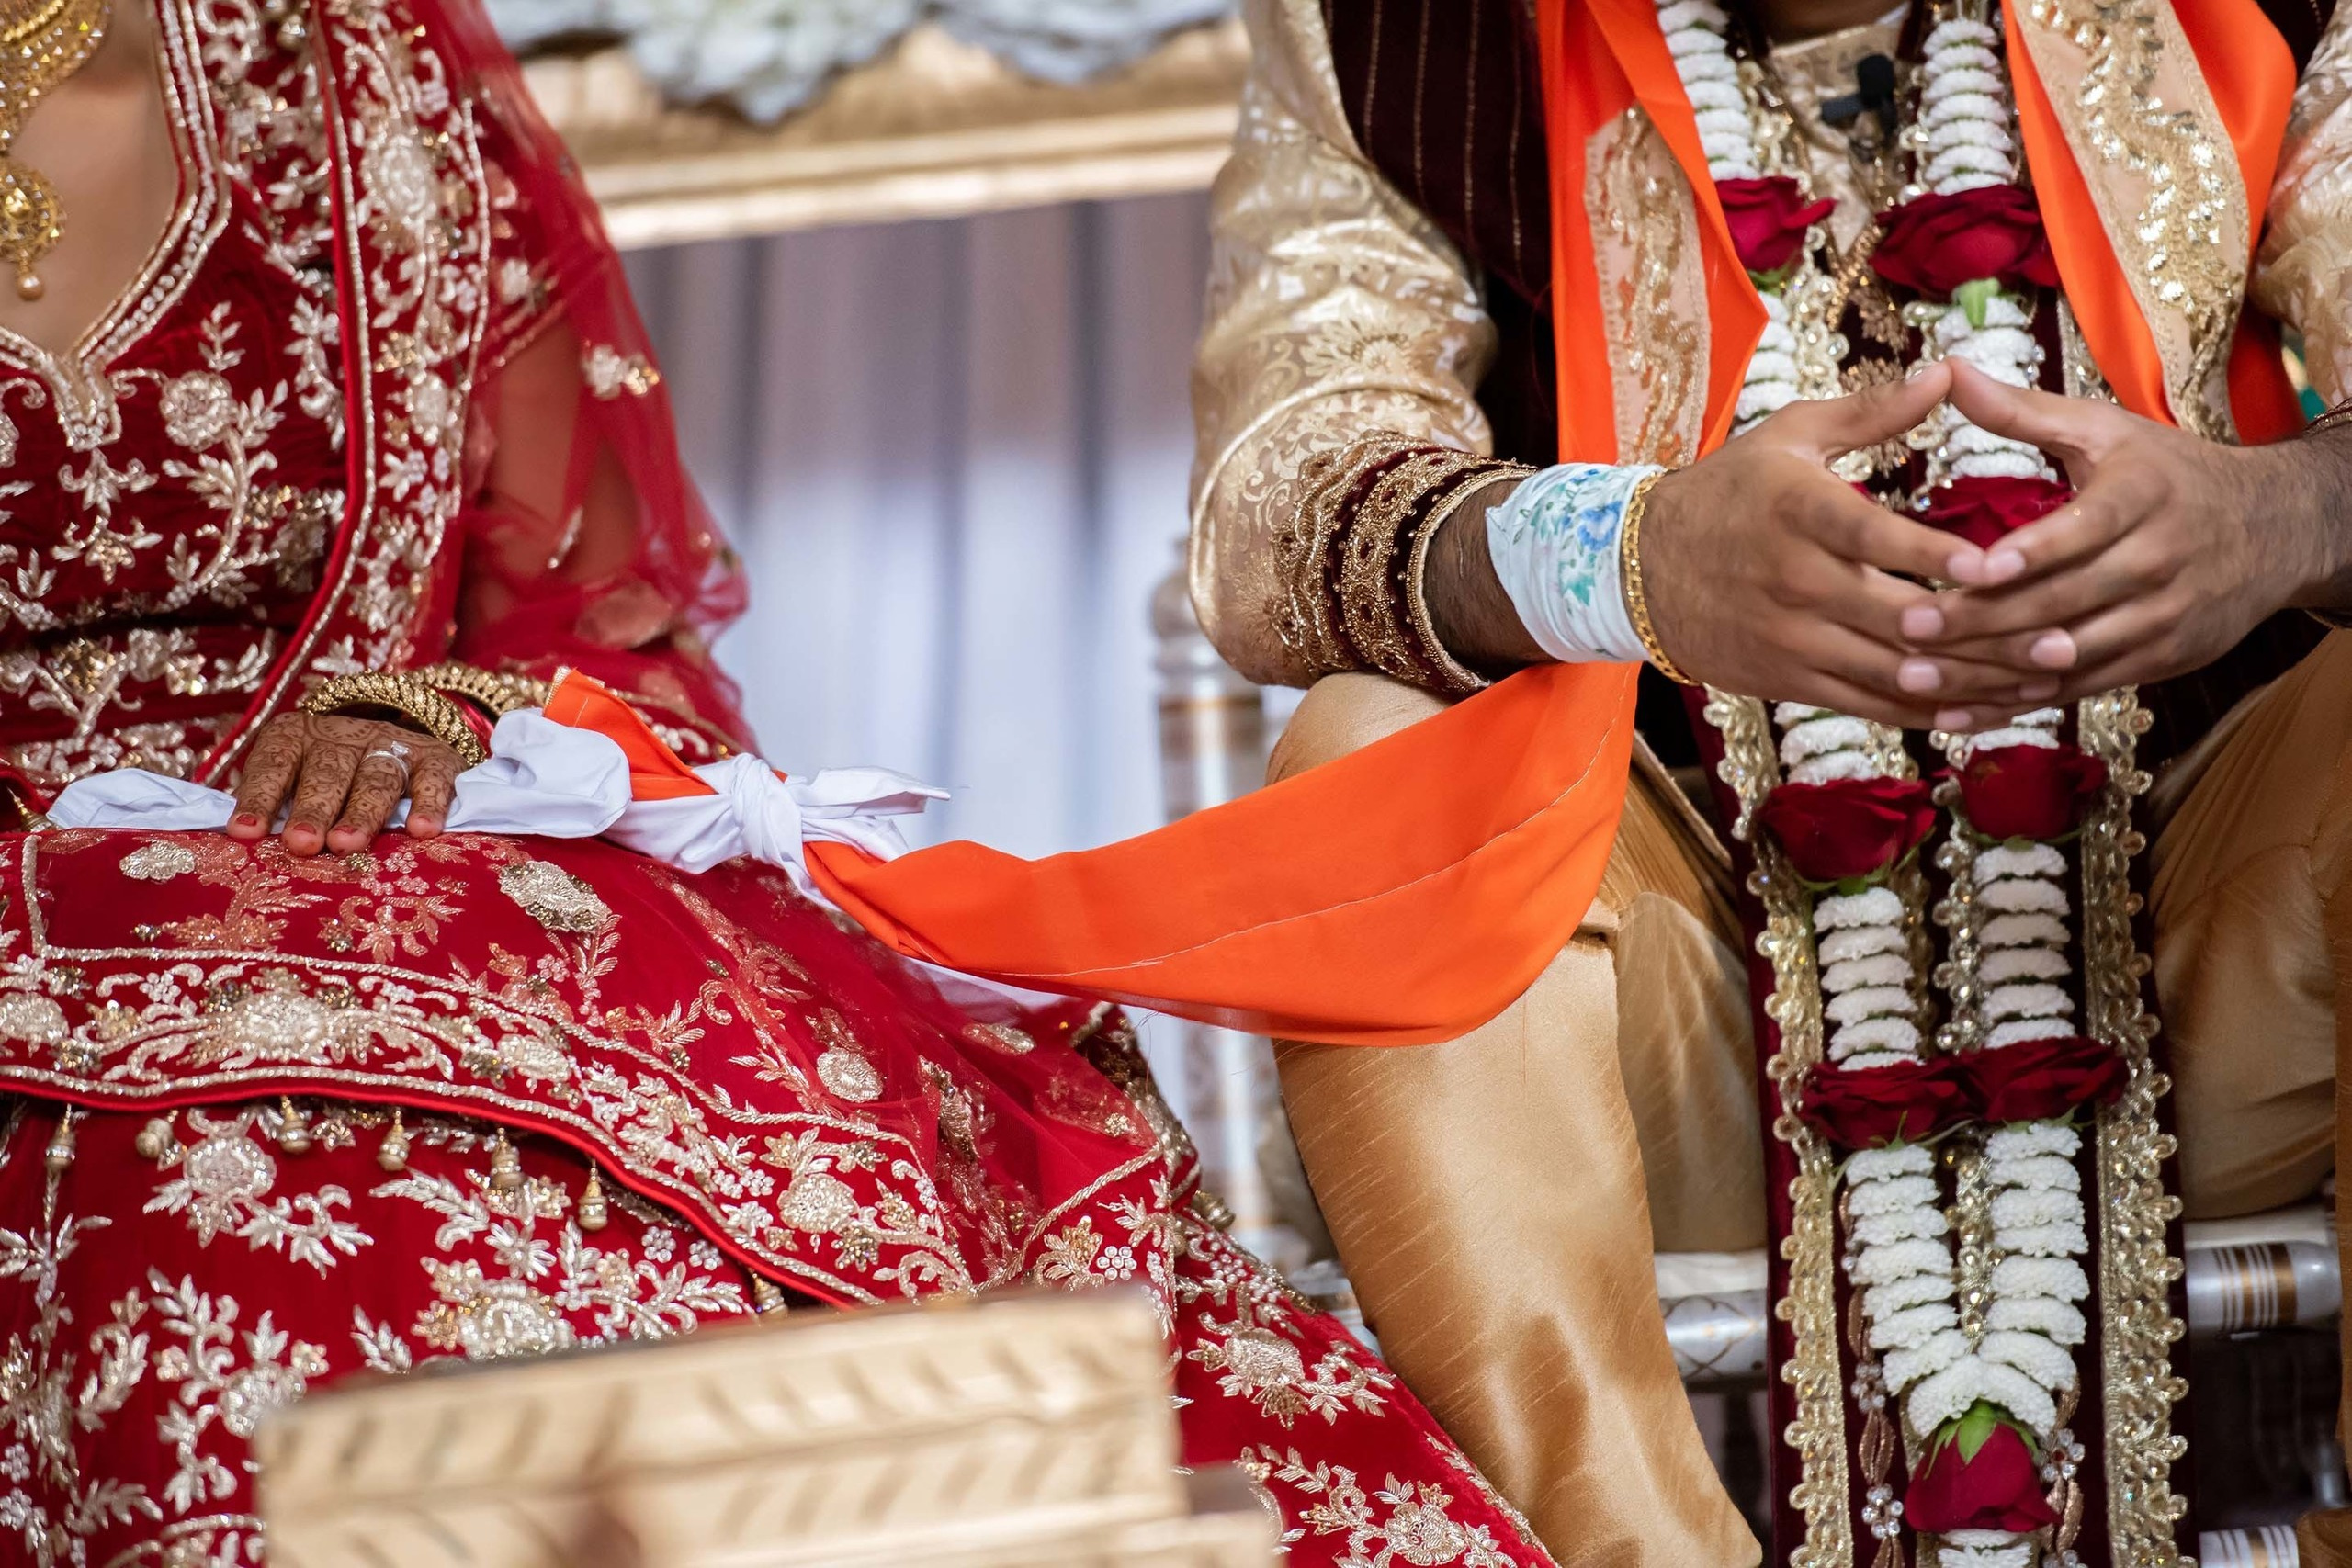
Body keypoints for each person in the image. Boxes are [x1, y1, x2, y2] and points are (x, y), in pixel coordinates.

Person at [0, 0, 1575, 1561]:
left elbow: (589, 615)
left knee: (799, 1088)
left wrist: (439, 712)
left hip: (418, 853)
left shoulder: (357, 71)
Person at [1192, 0, 2352, 1562]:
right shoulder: (1397, 35)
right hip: (1691, 1022)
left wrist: (2283, 518)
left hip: (2207, 960)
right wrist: (1628, 556)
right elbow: (1277, 505)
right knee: (1368, 767)